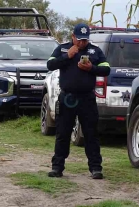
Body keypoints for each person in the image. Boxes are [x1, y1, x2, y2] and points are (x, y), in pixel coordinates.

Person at [46, 23, 111, 179]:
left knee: (91, 133)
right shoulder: (62, 49)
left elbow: (106, 68)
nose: (82, 43)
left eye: (85, 40)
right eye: (80, 39)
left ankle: (96, 168)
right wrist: (67, 56)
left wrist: (92, 68)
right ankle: (57, 167)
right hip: (67, 98)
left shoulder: (95, 51)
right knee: (63, 133)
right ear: (73, 37)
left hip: (87, 99)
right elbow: (50, 64)